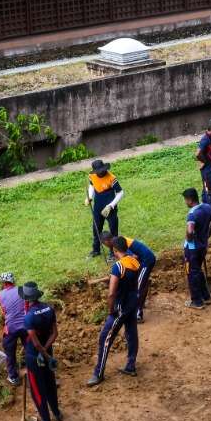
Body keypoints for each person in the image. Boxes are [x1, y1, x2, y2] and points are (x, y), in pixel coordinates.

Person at [87, 235, 141, 386]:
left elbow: (111, 293)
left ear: (115, 250)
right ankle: (131, 365)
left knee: (105, 338)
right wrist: (99, 280)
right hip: (132, 303)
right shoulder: (134, 262)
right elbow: (120, 278)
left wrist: (111, 310)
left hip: (120, 307)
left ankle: (98, 373)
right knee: (131, 333)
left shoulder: (118, 267)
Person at [19, 282, 61, 421]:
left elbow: (36, 344)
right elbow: (54, 333)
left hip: (34, 356)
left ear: (26, 299)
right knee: (50, 383)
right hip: (48, 351)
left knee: (37, 389)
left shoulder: (29, 317)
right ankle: (56, 413)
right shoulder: (49, 308)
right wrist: (48, 352)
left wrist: (43, 354)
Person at [103, 231, 156, 322]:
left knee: (138, 287)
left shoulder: (118, 243)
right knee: (141, 284)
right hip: (143, 261)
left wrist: (119, 269)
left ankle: (138, 314)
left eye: (104, 244)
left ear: (107, 241)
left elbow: (133, 257)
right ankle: (140, 304)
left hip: (146, 260)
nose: (106, 246)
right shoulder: (119, 240)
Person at [182, 187, 211, 309]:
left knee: (191, 273)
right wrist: (208, 235)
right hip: (203, 246)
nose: (185, 202)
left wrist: (188, 238)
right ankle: (206, 297)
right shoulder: (207, 207)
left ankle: (197, 301)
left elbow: (190, 231)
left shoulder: (192, 214)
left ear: (190, 200)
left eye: (185, 200)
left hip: (192, 249)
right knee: (198, 270)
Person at [85, 159, 123, 259]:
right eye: (99, 171)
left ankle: (113, 252)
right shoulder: (92, 176)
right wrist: (89, 197)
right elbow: (92, 186)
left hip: (110, 207)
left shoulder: (112, 178)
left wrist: (111, 205)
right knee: (96, 228)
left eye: (102, 170)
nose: (101, 172)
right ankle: (96, 250)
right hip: (98, 206)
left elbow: (120, 192)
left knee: (113, 229)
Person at [196, 119, 211, 205]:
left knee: (206, 189)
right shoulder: (205, 139)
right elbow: (197, 154)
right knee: (210, 192)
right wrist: (204, 161)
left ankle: (204, 207)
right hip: (207, 171)